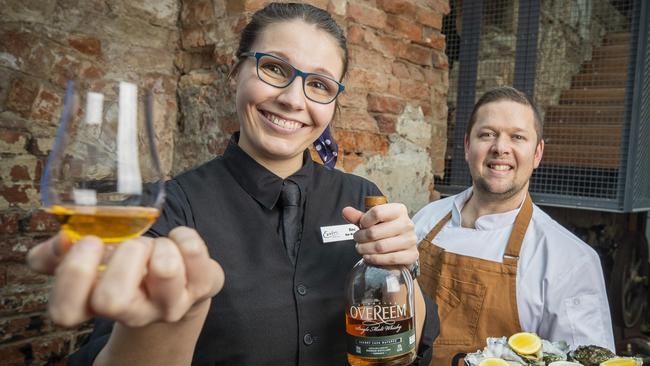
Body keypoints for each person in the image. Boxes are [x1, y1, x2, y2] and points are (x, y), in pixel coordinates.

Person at [26, 3, 439, 365]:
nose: (294, 99)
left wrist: (403, 270)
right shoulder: (168, 208)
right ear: (235, 74)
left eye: (319, 84)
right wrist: (164, 321)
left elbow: (413, 345)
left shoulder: (360, 196)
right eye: (274, 68)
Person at [413, 86, 615, 365]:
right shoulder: (425, 221)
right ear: (467, 147)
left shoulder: (570, 261)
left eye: (517, 137)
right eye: (487, 134)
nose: (500, 148)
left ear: (537, 153)